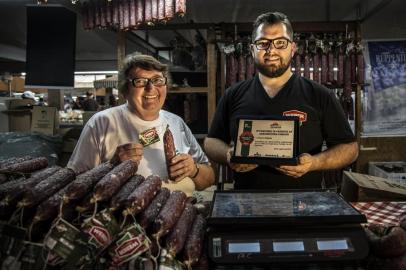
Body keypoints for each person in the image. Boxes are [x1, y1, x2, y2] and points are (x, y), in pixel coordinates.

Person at [204, 12, 358, 190]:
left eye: (280, 42)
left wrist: (314, 163)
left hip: (305, 203)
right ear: (253, 49)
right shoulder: (233, 94)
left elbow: (350, 148)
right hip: (246, 204)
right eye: (263, 43)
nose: (271, 50)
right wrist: (227, 154)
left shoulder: (320, 95)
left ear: (292, 48)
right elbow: (211, 141)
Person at [68, 54, 215, 193]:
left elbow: (209, 179)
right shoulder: (102, 123)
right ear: (125, 91)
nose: (151, 88)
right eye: (140, 81)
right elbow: (74, 184)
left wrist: (194, 170)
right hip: (124, 217)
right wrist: (111, 166)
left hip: (177, 215)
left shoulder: (176, 123)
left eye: (158, 80)